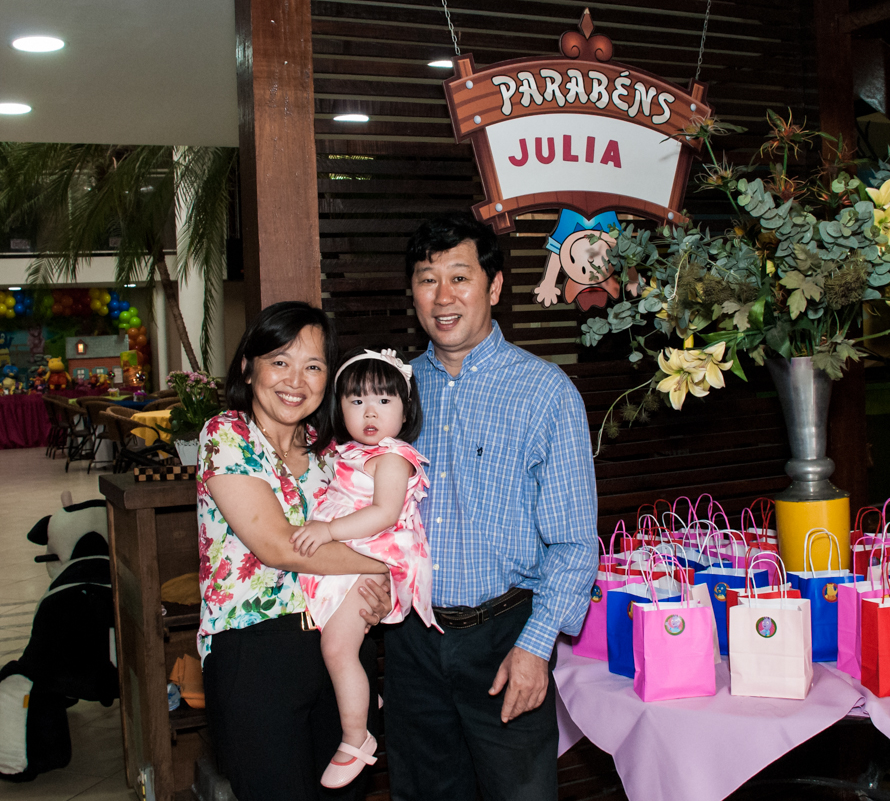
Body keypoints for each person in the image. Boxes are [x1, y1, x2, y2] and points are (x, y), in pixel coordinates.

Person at [385, 213, 599, 800]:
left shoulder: (545, 391)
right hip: (412, 640)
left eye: (460, 277)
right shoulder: (393, 391)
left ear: (495, 286)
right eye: (428, 280)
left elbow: (575, 542)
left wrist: (535, 646)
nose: (443, 297)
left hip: (506, 637)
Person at [198, 302, 393, 801]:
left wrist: (383, 590)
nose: (295, 381)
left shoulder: (332, 451)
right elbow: (278, 546)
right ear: (249, 367)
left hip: (340, 649)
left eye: (313, 366)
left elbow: (373, 532)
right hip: (256, 654)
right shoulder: (227, 435)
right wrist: (390, 565)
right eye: (280, 361)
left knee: (347, 795)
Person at [291, 347, 436, 789]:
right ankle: (360, 696)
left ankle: (357, 738)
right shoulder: (349, 452)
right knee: (334, 643)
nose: (369, 411)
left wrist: (329, 530)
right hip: (353, 553)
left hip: (377, 555)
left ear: (405, 410)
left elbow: (384, 513)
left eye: (383, 400)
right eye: (356, 401)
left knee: (337, 648)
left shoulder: (393, 457)